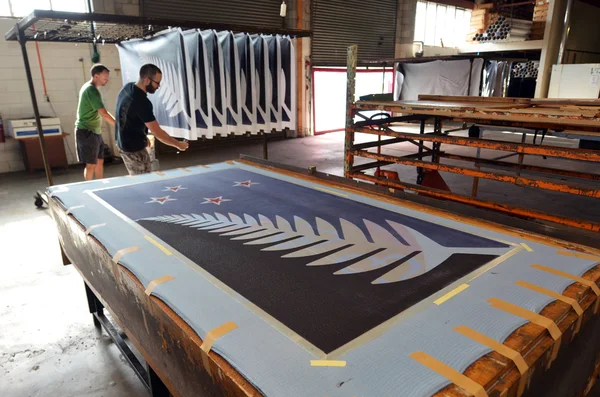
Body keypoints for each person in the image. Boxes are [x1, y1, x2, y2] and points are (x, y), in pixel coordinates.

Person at [115, 64, 189, 175]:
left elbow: (126, 116)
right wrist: (178, 144)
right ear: (146, 80)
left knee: (138, 177)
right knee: (143, 181)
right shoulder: (141, 102)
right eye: (157, 83)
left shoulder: (128, 88)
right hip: (133, 149)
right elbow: (158, 132)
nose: (158, 86)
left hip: (123, 143)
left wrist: (143, 137)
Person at [75, 64, 116, 180]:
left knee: (99, 161)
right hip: (86, 131)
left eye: (108, 77)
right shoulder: (91, 90)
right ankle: (89, 188)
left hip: (94, 131)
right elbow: (104, 113)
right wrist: (118, 126)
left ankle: (100, 185)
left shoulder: (91, 88)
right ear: (96, 76)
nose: (107, 79)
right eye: (105, 77)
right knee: (91, 164)